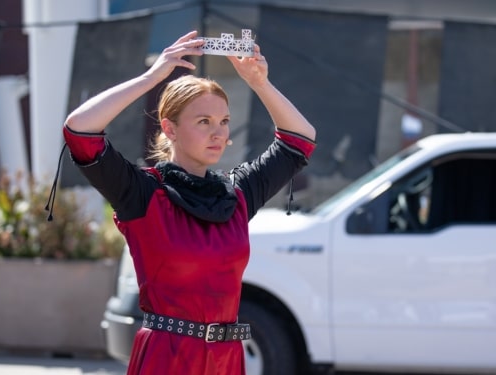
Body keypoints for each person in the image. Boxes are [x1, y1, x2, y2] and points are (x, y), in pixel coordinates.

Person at [60, 31, 316, 374]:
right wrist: (151, 78)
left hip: (227, 360)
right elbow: (79, 131)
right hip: (168, 358)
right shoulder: (143, 193)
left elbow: (300, 141)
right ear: (170, 128)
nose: (219, 133)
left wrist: (260, 84)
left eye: (224, 122)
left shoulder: (237, 194)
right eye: (204, 122)